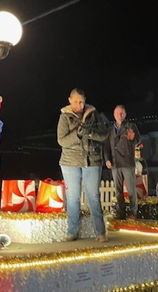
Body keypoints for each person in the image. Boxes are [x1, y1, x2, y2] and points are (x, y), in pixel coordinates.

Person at [57, 88, 109, 242]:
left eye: (81, 102)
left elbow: (104, 134)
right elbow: (62, 141)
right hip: (70, 162)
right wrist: (78, 134)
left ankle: (100, 232)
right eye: (75, 101)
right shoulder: (64, 117)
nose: (78, 105)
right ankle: (72, 232)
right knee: (73, 198)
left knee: (93, 196)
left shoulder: (94, 114)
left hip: (92, 161)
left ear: (85, 101)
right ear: (69, 100)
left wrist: (90, 133)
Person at [104, 105, 140, 219]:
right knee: (118, 191)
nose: (120, 115)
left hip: (127, 163)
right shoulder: (110, 129)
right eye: (118, 113)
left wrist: (132, 138)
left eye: (122, 113)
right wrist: (107, 159)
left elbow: (138, 139)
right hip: (115, 164)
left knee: (131, 190)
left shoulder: (131, 126)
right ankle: (121, 213)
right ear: (114, 115)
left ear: (125, 114)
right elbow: (106, 147)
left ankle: (133, 213)